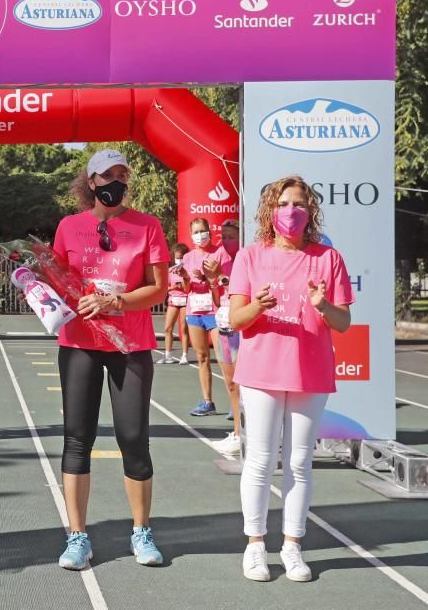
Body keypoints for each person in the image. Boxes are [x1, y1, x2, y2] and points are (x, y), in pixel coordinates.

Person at [229, 175, 353, 583]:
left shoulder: (328, 259)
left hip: (310, 372)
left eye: (299, 203)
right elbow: (236, 319)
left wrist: (322, 304)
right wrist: (260, 306)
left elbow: (344, 323)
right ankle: (255, 546)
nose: (292, 211)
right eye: (284, 203)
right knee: (261, 460)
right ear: (270, 209)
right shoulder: (250, 256)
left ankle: (293, 546)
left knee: (299, 463)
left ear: (311, 210)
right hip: (261, 371)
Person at [54, 148, 169, 570]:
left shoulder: (148, 226)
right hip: (80, 343)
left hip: (130, 345)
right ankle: (78, 536)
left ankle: (141, 531)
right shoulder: (68, 226)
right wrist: (40, 288)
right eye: (107, 176)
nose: (116, 182)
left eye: (122, 174)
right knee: (77, 439)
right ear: (91, 183)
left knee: (134, 438)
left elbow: (159, 290)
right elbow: (60, 282)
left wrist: (115, 300)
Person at [182, 218, 232, 417]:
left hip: (214, 310)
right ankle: (207, 401)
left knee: (223, 358)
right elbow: (187, 289)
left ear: (209, 232)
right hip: (194, 311)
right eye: (195, 232)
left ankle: (233, 402)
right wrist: (187, 278)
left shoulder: (219, 252)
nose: (199, 235)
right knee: (202, 357)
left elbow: (224, 281)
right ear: (191, 234)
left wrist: (207, 277)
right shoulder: (188, 257)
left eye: (203, 231)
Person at [211, 218, 244, 456]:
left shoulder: (247, 260)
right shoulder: (219, 260)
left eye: (231, 236)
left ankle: (245, 434)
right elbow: (216, 299)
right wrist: (214, 280)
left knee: (244, 384)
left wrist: (223, 277)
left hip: (242, 328)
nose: (226, 241)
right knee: (230, 382)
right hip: (222, 325)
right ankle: (236, 432)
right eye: (223, 237)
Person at [157, 243, 191, 365]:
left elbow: (188, 288)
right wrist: (173, 287)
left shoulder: (188, 271)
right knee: (168, 328)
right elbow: (165, 287)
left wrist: (183, 285)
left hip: (185, 302)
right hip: (173, 301)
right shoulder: (170, 271)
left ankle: (185, 355)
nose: (179, 260)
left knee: (183, 329)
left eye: (181, 257)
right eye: (177, 257)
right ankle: (168, 356)